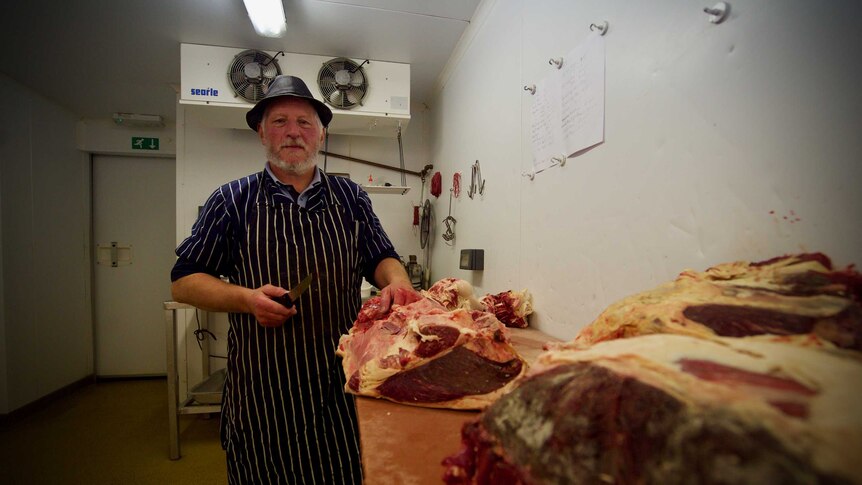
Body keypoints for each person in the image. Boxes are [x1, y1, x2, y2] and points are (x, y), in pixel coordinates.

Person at [170, 74, 420, 484]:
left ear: (321, 134)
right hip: (265, 392)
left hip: (340, 384)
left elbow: (382, 256)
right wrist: (247, 299)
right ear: (261, 133)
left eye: (305, 122)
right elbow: (184, 280)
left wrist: (397, 282)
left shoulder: (350, 198)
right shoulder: (231, 200)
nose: (293, 132)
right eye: (279, 121)